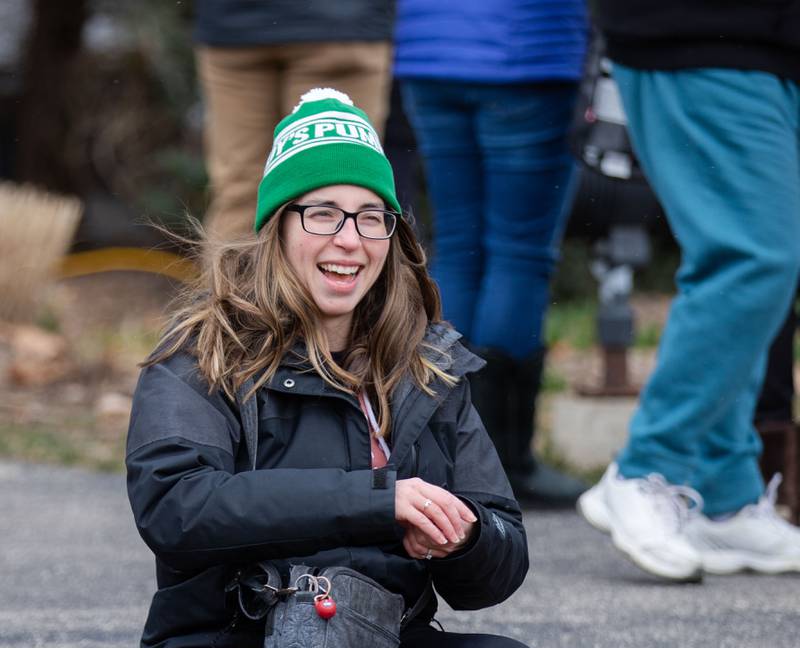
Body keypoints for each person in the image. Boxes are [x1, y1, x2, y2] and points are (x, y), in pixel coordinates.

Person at [126, 89, 574, 648]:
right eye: (324, 212)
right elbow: (174, 508)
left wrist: (464, 537)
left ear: (394, 239)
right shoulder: (199, 354)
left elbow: (501, 555)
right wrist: (377, 498)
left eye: (372, 218)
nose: (349, 240)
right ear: (279, 228)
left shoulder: (430, 370)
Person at [579, 1, 800, 580]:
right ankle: (646, 467)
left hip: (761, 44)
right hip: (703, 29)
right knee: (753, 258)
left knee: (746, 260)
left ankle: (724, 494)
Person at [394, 0, 589, 507]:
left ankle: (442, 453)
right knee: (520, 254)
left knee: (458, 245)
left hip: (429, 49)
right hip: (525, 53)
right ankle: (505, 462)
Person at [194, 0, 394, 239]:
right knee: (336, 190)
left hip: (234, 26)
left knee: (239, 192)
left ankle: (231, 276)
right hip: (339, 23)